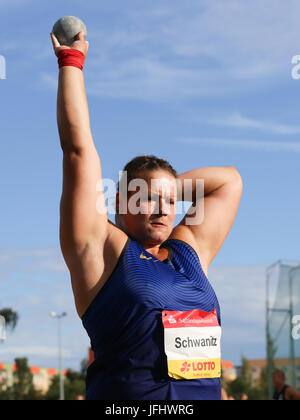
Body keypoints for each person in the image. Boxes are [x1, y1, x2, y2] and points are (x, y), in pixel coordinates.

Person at [50, 31, 243, 400]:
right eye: (147, 199)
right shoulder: (103, 250)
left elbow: (229, 181)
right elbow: (78, 150)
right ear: (121, 201)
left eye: (170, 201)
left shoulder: (189, 251)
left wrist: (164, 189)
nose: (163, 209)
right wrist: (71, 62)